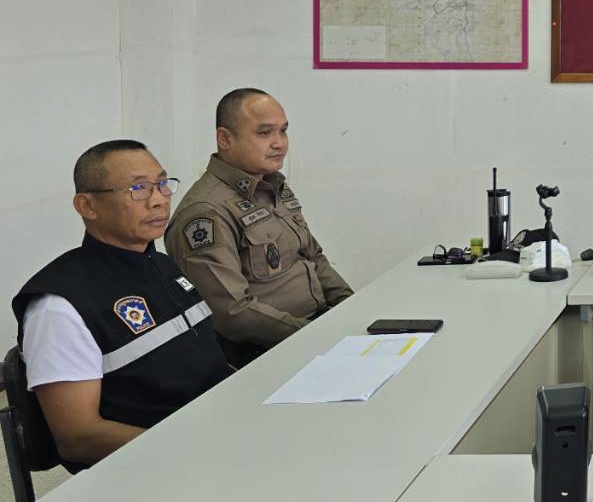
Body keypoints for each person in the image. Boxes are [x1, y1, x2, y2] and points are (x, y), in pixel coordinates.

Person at [11, 141, 230, 469]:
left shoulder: (161, 264)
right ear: (87, 206)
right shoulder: (59, 307)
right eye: (138, 189)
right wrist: (192, 447)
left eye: (162, 184)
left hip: (219, 429)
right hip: (158, 466)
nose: (159, 200)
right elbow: (79, 438)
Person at [166, 88, 352, 365]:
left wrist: (351, 310)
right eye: (265, 133)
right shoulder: (206, 212)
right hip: (268, 354)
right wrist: (317, 337)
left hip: (316, 332)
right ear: (225, 139)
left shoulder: (272, 186)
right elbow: (233, 313)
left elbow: (314, 257)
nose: (279, 143)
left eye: (283, 131)